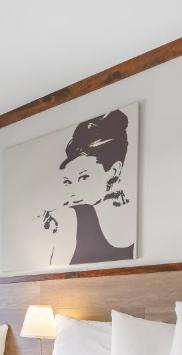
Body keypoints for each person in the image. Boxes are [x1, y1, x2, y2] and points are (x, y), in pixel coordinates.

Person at [38, 109, 135, 265]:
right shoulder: (68, 217)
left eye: (84, 177)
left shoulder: (73, 216)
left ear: (114, 172)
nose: (72, 192)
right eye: (67, 182)